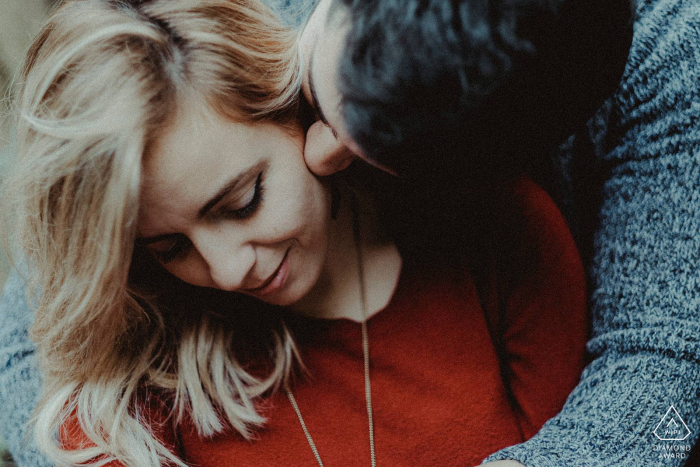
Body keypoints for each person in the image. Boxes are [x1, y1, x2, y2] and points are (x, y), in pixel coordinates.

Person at [0, 0, 589, 466]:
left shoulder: (494, 236)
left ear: (296, 112)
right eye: (169, 247)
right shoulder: (142, 373)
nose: (229, 272)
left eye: (241, 202)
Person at [296, 0, 700, 465]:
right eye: (316, 100)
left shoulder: (670, 58)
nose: (316, 157)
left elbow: (673, 373)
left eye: (359, 149)